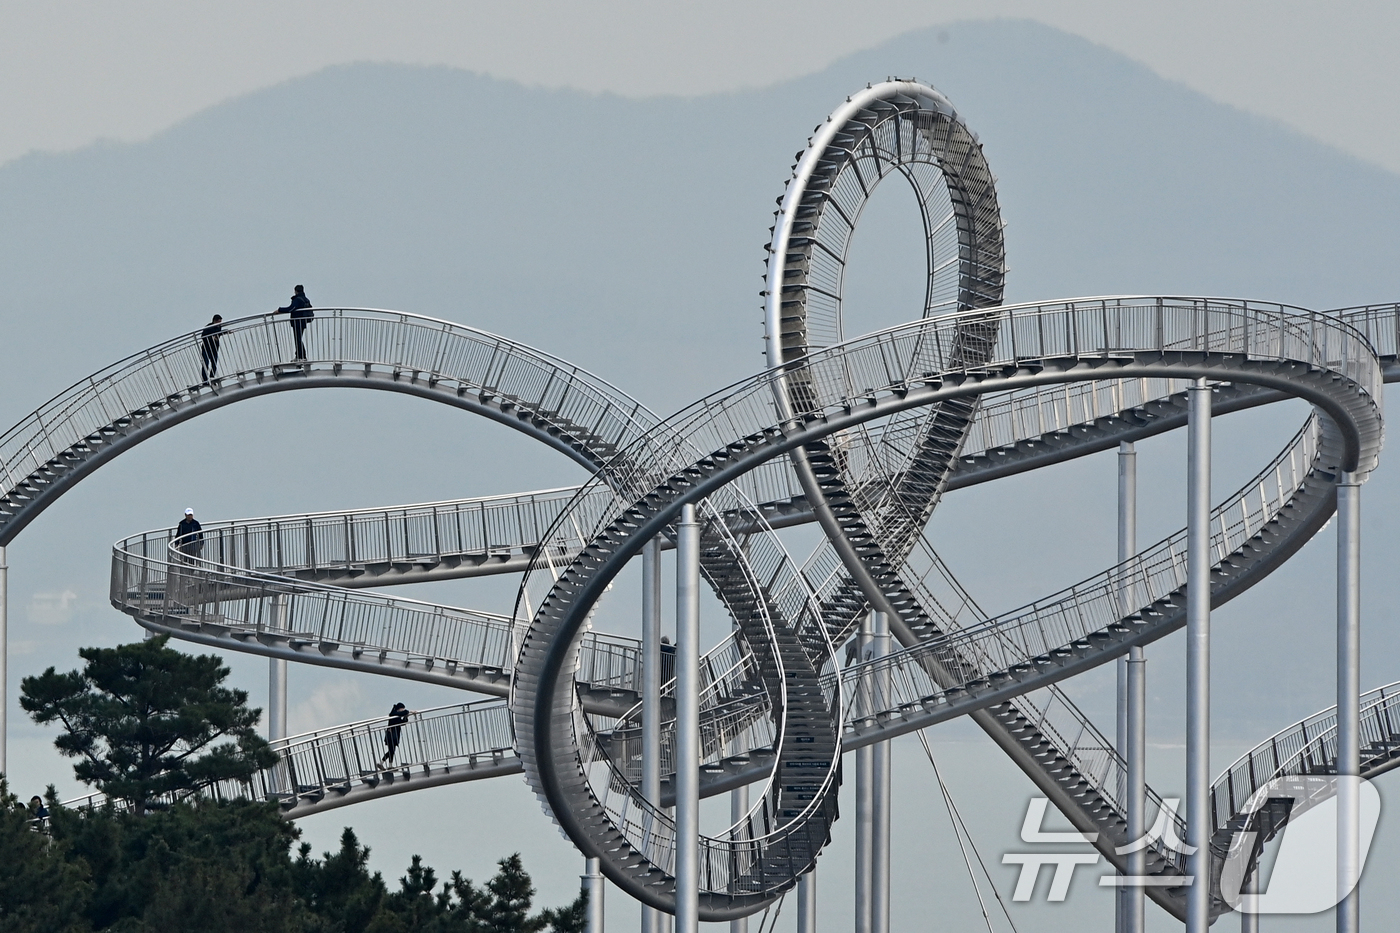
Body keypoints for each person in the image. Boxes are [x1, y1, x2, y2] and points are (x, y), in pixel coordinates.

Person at [274, 285, 314, 361]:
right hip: (303, 321)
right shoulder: (306, 299)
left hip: (297, 322)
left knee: (297, 339)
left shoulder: (297, 299)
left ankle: (301, 356)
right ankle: (300, 356)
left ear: (295, 291)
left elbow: (291, 308)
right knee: (298, 338)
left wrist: (280, 310)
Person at [379, 702, 413, 767]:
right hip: (391, 736)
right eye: (402, 708)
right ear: (399, 708)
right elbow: (403, 713)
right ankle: (385, 764)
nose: (403, 710)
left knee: (391, 751)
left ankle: (386, 764)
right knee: (391, 751)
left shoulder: (396, 715)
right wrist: (408, 712)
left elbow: (402, 723)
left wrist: (406, 718)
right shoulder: (394, 714)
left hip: (393, 736)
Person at [200, 314, 223, 381]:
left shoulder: (219, 327)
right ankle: (205, 380)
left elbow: (219, 333)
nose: (219, 324)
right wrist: (212, 337)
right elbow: (203, 336)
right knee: (206, 364)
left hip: (214, 349)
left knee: (214, 365)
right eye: (218, 322)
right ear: (214, 321)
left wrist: (226, 332)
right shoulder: (209, 327)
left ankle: (212, 377)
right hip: (206, 349)